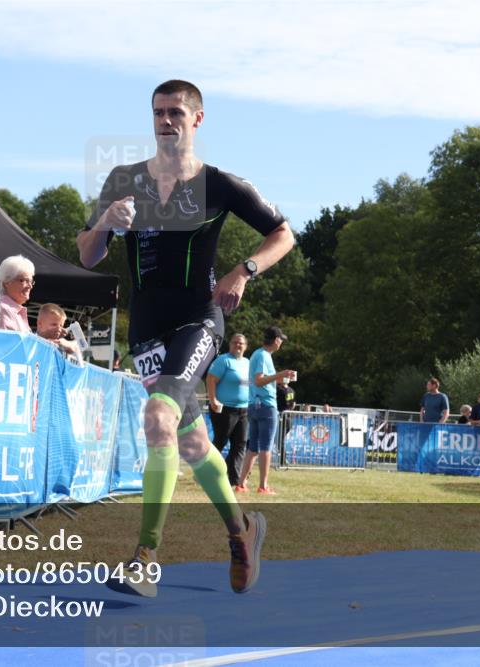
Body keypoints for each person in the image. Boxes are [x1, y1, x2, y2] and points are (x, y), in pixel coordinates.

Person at [79, 80, 295, 597]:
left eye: (176, 112)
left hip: (200, 321)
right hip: (146, 328)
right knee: (195, 445)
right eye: (158, 112)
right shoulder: (124, 179)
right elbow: (88, 255)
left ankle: (144, 557)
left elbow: (283, 235)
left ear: (197, 120)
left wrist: (243, 271)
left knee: (157, 419)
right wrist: (106, 222)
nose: (165, 121)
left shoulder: (220, 184)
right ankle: (242, 532)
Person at [237, 326, 293, 495]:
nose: (281, 342)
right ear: (276, 340)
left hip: (254, 405)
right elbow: (259, 381)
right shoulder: (263, 355)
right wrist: (279, 375)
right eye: (280, 339)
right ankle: (263, 486)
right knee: (265, 448)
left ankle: (241, 484)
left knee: (252, 448)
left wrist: (279, 380)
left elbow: (258, 381)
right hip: (266, 406)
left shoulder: (258, 354)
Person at [206, 333, 251, 487]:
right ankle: (205, 473)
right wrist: (213, 400)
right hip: (225, 409)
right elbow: (211, 379)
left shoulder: (247, 362)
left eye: (241, 343)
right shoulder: (223, 360)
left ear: (246, 346)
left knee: (240, 444)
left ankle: (234, 480)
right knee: (220, 441)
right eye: (235, 342)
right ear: (230, 344)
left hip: (243, 410)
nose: (238, 345)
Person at [0, 255, 35, 333]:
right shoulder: (3, 310)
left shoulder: (15, 311)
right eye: (24, 280)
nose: (30, 286)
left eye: (31, 281)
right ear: (6, 283)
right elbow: (8, 343)